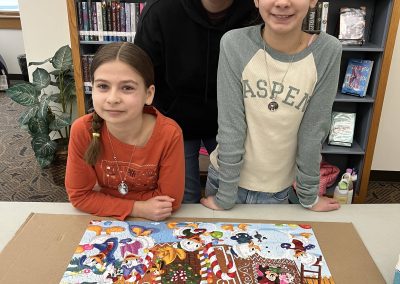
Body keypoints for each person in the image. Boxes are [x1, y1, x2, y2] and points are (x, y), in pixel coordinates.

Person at [200, 0, 342, 212]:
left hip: (276, 190)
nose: (282, 3)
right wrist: (226, 197)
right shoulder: (234, 43)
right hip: (225, 183)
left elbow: (313, 131)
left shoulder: (328, 51)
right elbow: (231, 126)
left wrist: (309, 195)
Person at [134, 0, 259, 203]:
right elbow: (141, 74)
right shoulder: (159, 10)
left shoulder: (258, 10)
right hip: (174, 120)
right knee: (182, 197)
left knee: (236, 196)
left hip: (234, 122)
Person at [65, 42, 185, 221]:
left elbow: (169, 203)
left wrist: (101, 196)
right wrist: (137, 208)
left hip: (154, 223)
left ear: (149, 94)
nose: (113, 99)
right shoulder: (82, 130)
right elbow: (79, 196)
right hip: (108, 221)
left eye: (127, 88)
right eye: (103, 86)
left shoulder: (169, 134)